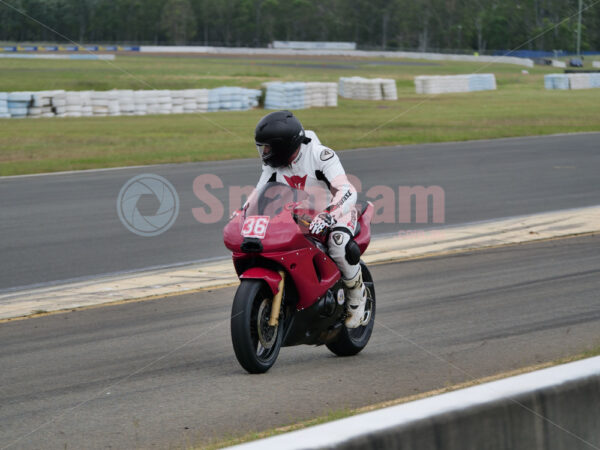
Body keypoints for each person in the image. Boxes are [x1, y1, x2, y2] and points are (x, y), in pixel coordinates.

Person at [251, 110, 367, 328]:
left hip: (336, 212)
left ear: (284, 145)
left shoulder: (321, 155)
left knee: (338, 244)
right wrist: (243, 212)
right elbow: (259, 192)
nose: (264, 152)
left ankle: (357, 298)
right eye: (262, 147)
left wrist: (329, 214)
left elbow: (347, 189)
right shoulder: (273, 164)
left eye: (267, 147)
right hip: (300, 216)